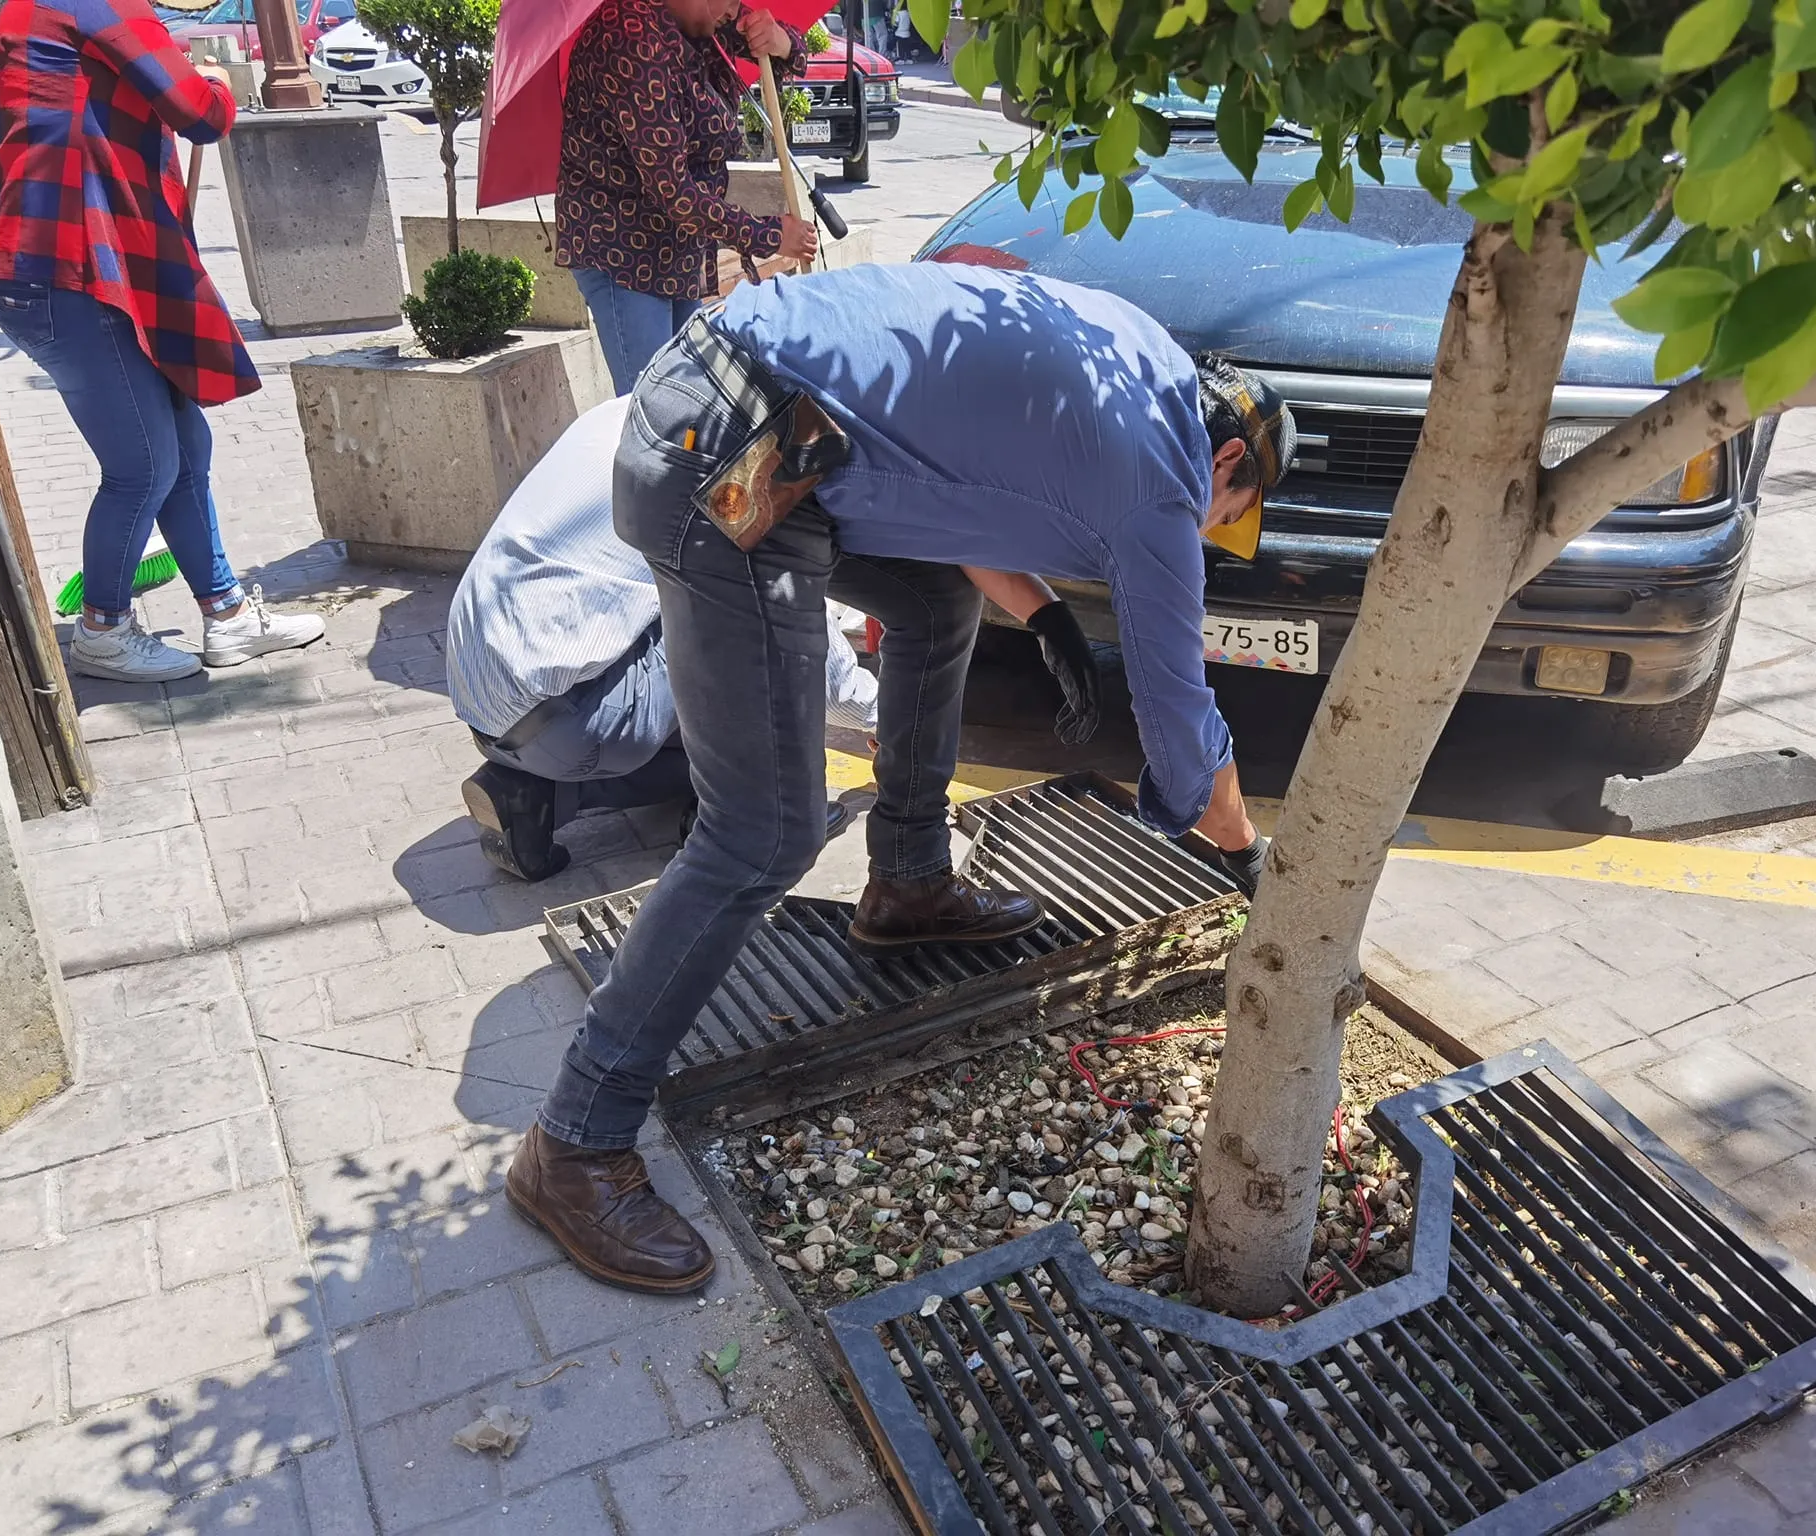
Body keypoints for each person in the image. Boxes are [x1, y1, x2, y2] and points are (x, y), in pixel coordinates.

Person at [503, 262, 1283, 1294]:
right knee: (761, 834)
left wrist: (1043, 613)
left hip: (759, 412)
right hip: (730, 461)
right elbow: (1181, 722)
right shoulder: (1163, 476)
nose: (1207, 529)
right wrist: (1241, 850)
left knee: (928, 608)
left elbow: (951, 470)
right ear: (1225, 454)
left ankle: (908, 883)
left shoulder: (1131, 352)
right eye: (1228, 508)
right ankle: (573, 1140)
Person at [446, 396, 1100, 882]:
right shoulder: (753, 451)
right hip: (581, 713)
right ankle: (747, 814)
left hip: (492, 696)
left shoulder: (650, 409)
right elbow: (788, 613)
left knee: (699, 621)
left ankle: (539, 794)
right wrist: (883, 719)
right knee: (746, 629)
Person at [0, 0, 324, 683]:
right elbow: (201, 113)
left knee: (185, 446)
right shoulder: (91, 3)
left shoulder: (28, 8)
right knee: (145, 465)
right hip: (64, 265)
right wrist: (213, 78)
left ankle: (228, 614)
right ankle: (103, 628)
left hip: (70, 261)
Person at [556, 0, 819, 397]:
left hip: (675, 250)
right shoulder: (630, 36)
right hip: (625, 252)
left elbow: (773, 42)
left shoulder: (700, 18)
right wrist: (767, 235)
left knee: (690, 403)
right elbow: (674, 191)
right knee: (654, 407)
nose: (735, 11)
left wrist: (780, 41)